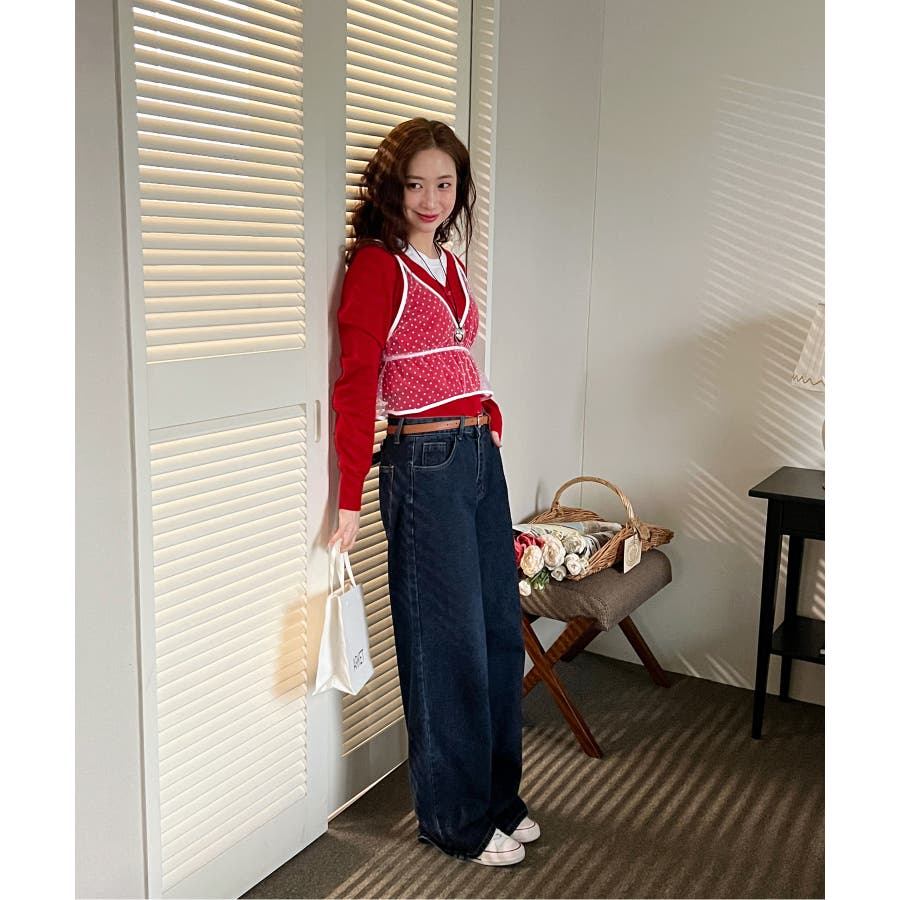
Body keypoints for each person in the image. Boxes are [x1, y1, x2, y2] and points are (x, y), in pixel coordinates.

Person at [327, 118, 539, 867]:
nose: (429, 198)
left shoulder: (447, 261)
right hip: (423, 462)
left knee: (497, 633)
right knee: (446, 646)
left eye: (443, 184)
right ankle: (453, 819)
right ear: (392, 187)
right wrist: (348, 495)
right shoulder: (377, 266)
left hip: (477, 455)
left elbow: (454, 356)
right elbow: (357, 382)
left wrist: (489, 413)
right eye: (415, 183)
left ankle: (497, 800)